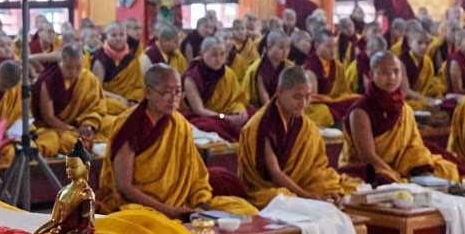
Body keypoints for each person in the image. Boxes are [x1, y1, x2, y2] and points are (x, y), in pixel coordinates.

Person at [98, 64, 257, 218]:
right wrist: (169, 211)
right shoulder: (130, 125)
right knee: (146, 222)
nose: (174, 99)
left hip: (180, 201)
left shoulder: (179, 124)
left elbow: (195, 173)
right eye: (166, 92)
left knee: (245, 210)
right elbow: (124, 187)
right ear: (147, 93)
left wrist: (201, 204)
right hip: (141, 205)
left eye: (178, 92)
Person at [237, 65, 356, 206]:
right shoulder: (262, 124)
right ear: (280, 92)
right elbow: (275, 172)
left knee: (332, 186)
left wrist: (326, 189)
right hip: (267, 187)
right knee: (280, 197)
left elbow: (316, 168)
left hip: (300, 183)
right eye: (297, 97)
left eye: (308, 97)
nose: (304, 103)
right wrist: (307, 196)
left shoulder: (306, 125)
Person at [341, 50, 445, 183]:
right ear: (371, 75)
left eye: (396, 71)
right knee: (385, 180)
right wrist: (395, 175)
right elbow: (367, 156)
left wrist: (419, 166)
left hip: (400, 165)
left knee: (442, 169)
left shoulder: (403, 107)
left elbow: (413, 146)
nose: (392, 77)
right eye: (384, 72)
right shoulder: (360, 111)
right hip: (369, 169)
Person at [32, 43, 114, 157]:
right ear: (59, 62)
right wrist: (72, 129)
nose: (73, 72)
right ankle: (94, 146)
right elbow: (48, 118)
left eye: (78, 67)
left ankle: (93, 145)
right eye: (68, 67)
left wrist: (88, 125)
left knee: (113, 123)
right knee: (65, 141)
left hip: (83, 122)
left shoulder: (87, 78)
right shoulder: (48, 80)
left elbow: (95, 107)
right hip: (55, 127)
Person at [180, 36, 250, 138]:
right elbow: (199, 110)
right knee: (212, 126)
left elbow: (237, 99)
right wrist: (226, 118)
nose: (219, 59)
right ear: (202, 54)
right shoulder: (191, 77)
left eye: (222, 54)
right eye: (214, 55)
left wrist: (240, 112)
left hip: (226, 113)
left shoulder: (228, 73)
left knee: (256, 117)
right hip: (202, 116)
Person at [92, 20, 143, 106]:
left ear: (126, 37)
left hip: (129, 102)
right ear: (106, 37)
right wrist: (116, 97)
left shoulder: (131, 59)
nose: (118, 38)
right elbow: (95, 90)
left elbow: (139, 87)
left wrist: (133, 100)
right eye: (113, 35)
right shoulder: (101, 58)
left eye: (121, 35)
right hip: (109, 102)